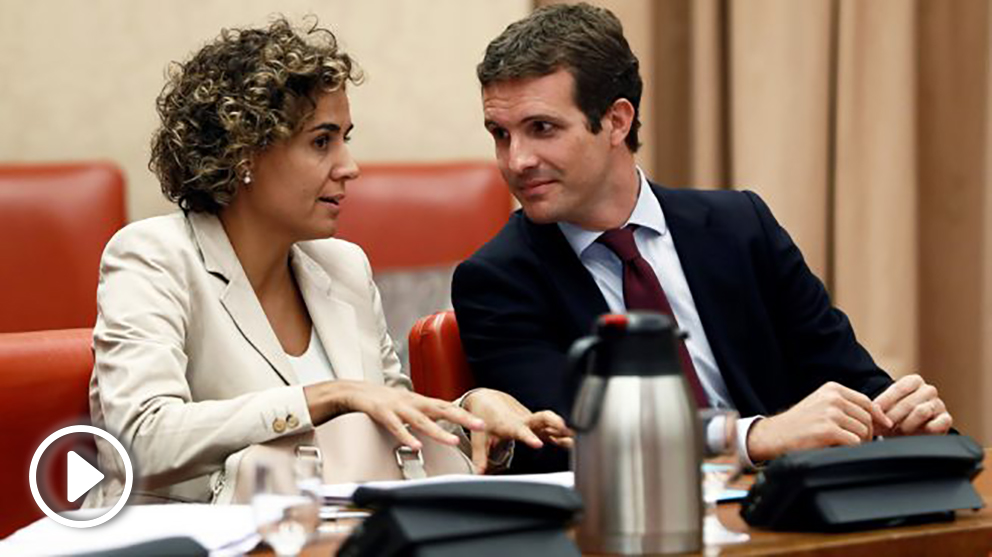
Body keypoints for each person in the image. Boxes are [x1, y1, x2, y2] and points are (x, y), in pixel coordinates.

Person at [84, 17, 571, 507]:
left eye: (345, 138)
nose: (349, 166)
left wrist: (473, 413)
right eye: (322, 141)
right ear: (244, 154)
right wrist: (326, 397)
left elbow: (388, 424)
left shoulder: (344, 266)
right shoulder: (152, 256)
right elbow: (138, 440)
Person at [452, 2, 952, 473]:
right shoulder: (496, 278)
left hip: (789, 511)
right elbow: (581, 436)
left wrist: (896, 420)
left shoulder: (740, 225)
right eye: (500, 133)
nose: (516, 161)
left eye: (542, 128)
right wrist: (752, 438)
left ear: (616, 121)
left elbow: (842, 375)